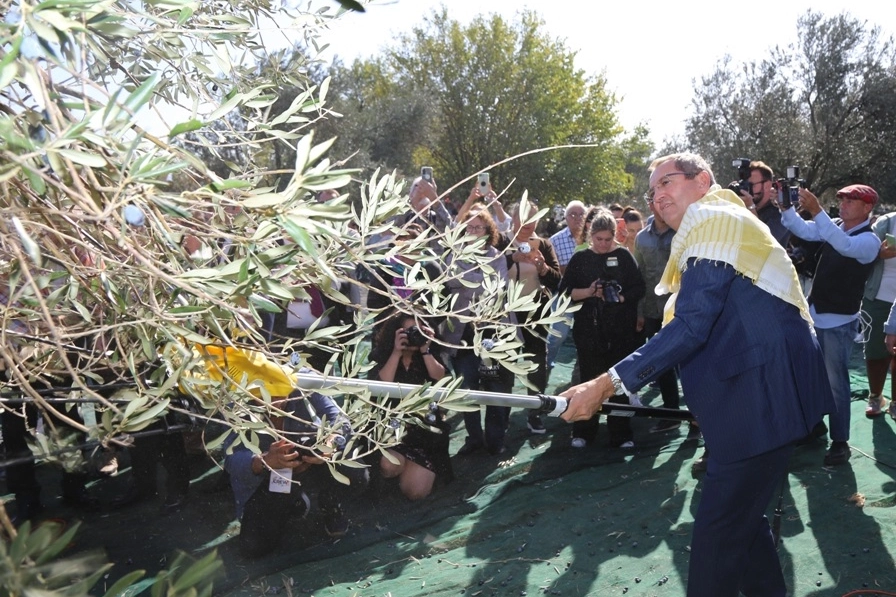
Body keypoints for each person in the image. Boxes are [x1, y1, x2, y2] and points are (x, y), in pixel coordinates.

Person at [559, 153, 833, 597]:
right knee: (742, 526)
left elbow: (691, 326)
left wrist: (605, 384)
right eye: (652, 190)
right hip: (751, 406)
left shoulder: (712, 220)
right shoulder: (715, 225)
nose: (658, 196)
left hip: (759, 404)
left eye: (667, 182)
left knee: (717, 541)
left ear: (703, 180)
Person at [780, 183, 880, 465]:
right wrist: (786, 207)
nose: (844, 204)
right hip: (815, 315)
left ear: (867, 208)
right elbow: (804, 230)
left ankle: (840, 442)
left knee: (836, 384)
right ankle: (814, 426)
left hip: (838, 322)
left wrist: (817, 210)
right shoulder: (834, 224)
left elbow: (844, 245)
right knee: (809, 374)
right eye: (843, 199)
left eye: (852, 200)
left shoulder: (869, 241)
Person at [224, 387, 369, 557]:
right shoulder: (236, 398)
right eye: (265, 390)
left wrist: (330, 444)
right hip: (268, 478)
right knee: (254, 547)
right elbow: (230, 459)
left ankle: (330, 502)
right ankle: (293, 507)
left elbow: (339, 420)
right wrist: (263, 461)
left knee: (357, 473)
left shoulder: (304, 381)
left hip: (311, 464)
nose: (274, 396)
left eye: (279, 387)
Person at [559, 208, 645, 449]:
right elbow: (565, 293)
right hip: (589, 331)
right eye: (599, 239)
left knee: (619, 383)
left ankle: (621, 433)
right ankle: (584, 431)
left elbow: (639, 288)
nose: (604, 244)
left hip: (620, 332)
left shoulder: (625, 257)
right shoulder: (581, 258)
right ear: (591, 236)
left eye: (608, 239)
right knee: (588, 380)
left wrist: (621, 298)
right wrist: (590, 291)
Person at [442, 205, 514, 456]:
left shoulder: (497, 255)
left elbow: (499, 287)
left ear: (488, 230)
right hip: (461, 333)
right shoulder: (453, 254)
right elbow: (451, 282)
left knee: (495, 385)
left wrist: (469, 284)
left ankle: (495, 440)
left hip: (491, 333)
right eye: (469, 227)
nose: (472, 231)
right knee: (466, 385)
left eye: (477, 227)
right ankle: (474, 438)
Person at [368, 315, 453, 500]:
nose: (413, 335)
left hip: (425, 434)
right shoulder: (384, 355)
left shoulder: (430, 354)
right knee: (389, 466)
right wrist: (397, 353)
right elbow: (381, 386)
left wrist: (426, 349)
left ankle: (411, 471)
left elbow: (442, 379)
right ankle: (397, 472)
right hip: (393, 432)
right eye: (408, 331)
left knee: (415, 492)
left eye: (418, 330)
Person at [498, 201, 561, 434]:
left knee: (537, 364)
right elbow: (489, 269)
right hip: (506, 312)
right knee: (504, 363)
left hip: (536, 310)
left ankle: (535, 413)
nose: (526, 223)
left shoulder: (543, 244)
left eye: (531, 218)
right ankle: (501, 417)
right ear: (512, 218)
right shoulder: (502, 241)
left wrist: (543, 268)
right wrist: (512, 258)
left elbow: (556, 280)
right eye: (521, 217)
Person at [631, 198, 683, 434]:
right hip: (653, 312)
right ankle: (671, 414)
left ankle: (698, 418)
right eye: (656, 202)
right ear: (650, 206)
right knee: (661, 365)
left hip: (683, 310)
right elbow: (638, 278)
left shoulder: (683, 232)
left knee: (690, 365)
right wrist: (640, 312)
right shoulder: (641, 238)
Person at [860, 209, 896, 418]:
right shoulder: (886, 223)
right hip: (878, 297)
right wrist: (879, 254)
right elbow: (860, 256)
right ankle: (876, 396)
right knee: (875, 353)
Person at [546, 201, 588, 375]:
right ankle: (547, 363)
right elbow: (553, 271)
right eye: (572, 214)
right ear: (565, 218)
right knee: (557, 334)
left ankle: (583, 370)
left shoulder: (593, 238)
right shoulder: (555, 240)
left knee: (586, 335)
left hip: (589, 292)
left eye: (580, 214)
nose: (577, 218)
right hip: (564, 294)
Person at [736, 161, 791, 247]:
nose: (747, 188)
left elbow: (765, 243)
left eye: (751, 185)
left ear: (767, 185)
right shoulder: (743, 209)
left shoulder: (781, 214)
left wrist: (750, 207)